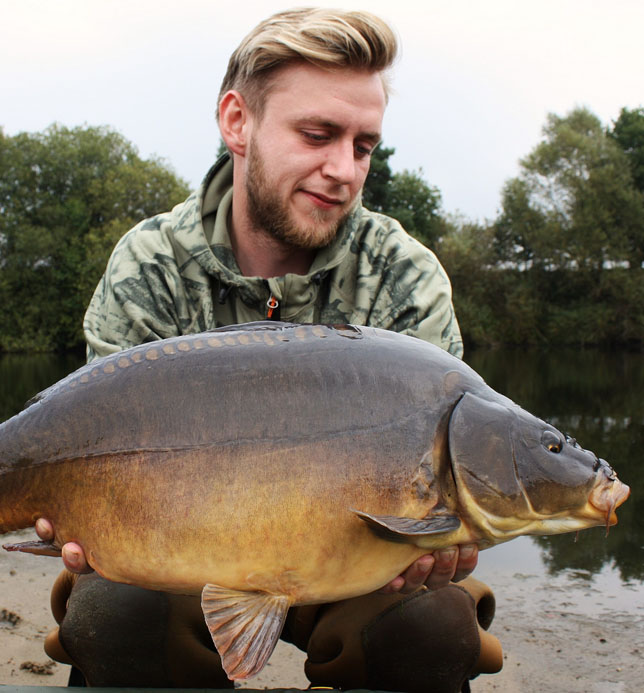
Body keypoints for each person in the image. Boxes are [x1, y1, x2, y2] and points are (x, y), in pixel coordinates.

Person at [37, 8, 502, 692]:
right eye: (318, 134)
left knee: (431, 624)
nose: (343, 169)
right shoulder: (151, 264)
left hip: (362, 559)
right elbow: (98, 444)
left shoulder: (404, 274)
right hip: (188, 549)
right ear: (237, 122)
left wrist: (454, 536)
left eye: (364, 145)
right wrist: (83, 517)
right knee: (115, 606)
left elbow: (445, 477)